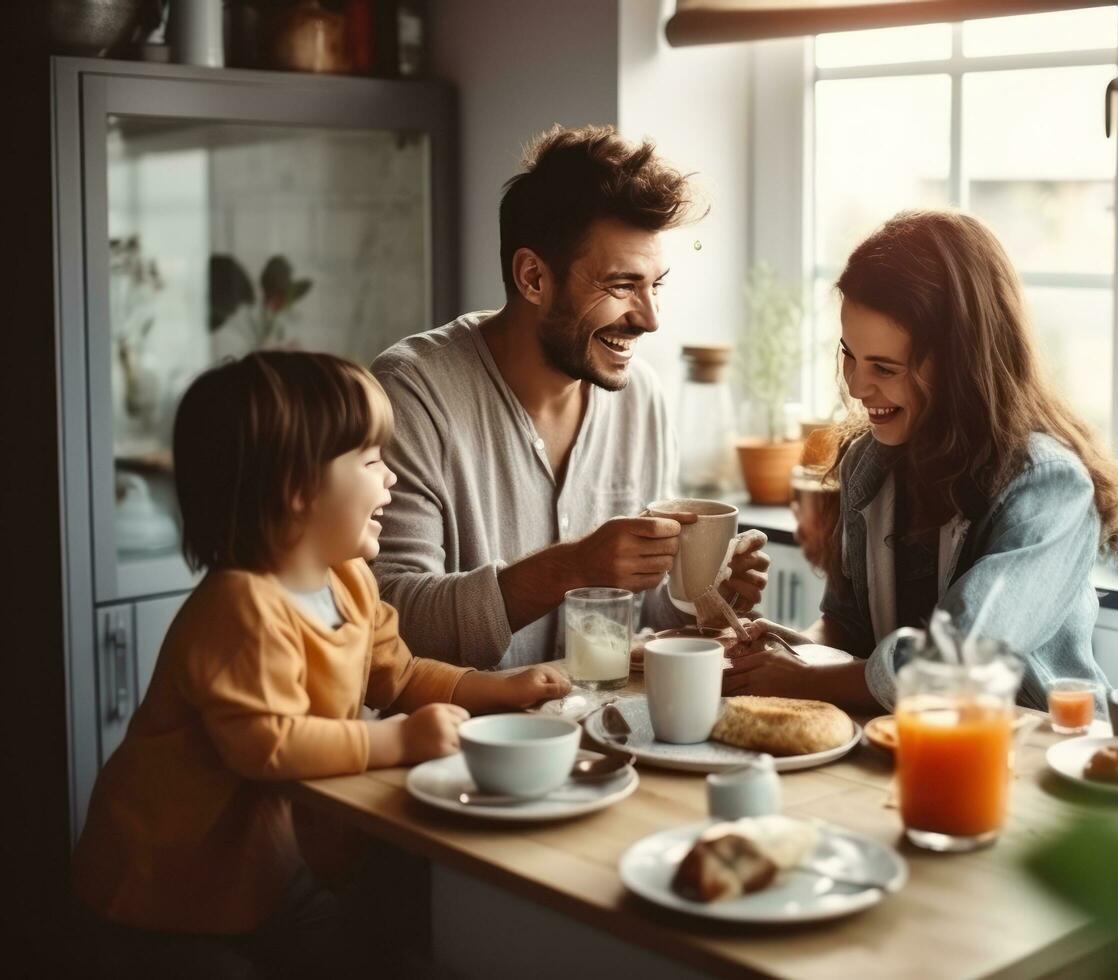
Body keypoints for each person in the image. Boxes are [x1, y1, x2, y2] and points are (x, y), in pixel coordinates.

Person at [72, 351, 568, 978]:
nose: (391, 480)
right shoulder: (240, 606)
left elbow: (402, 674)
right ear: (296, 489)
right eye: (371, 461)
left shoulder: (350, 582)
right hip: (162, 889)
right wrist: (394, 739)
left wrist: (499, 690)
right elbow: (267, 745)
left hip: (260, 873)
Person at [372, 124, 769, 668]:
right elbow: (388, 622)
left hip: (601, 737)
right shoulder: (412, 393)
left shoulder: (641, 397)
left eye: (657, 285)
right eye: (622, 286)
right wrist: (571, 567)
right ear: (534, 277)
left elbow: (646, 614)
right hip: (457, 745)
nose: (650, 319)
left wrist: (707, 594)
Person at [727, 210, 1118, 712]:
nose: (855, 385)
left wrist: (807, 680)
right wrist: (791, 650)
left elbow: (962, 665)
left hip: (1034, 750)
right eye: (849, 354)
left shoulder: (1048, 486)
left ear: (961, 365)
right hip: (909, 742)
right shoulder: (867, 467)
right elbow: (849, 627)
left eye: (885, 367)